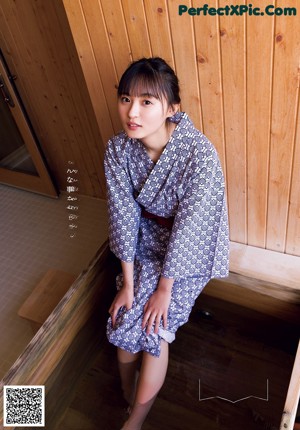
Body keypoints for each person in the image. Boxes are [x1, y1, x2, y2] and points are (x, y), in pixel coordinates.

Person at [104, 57, 229, 430]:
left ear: (172, 108)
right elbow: (123, 216)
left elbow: (192, 229)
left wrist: (164, 290)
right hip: (145, 240)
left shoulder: (199, 155)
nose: (132, 112)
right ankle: (128, 394)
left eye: (146, 102)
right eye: (126, 99)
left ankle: (136, 419)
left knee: (154, 325)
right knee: (126, 314)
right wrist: (128, 283)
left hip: (190, 251)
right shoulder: (118, 150)